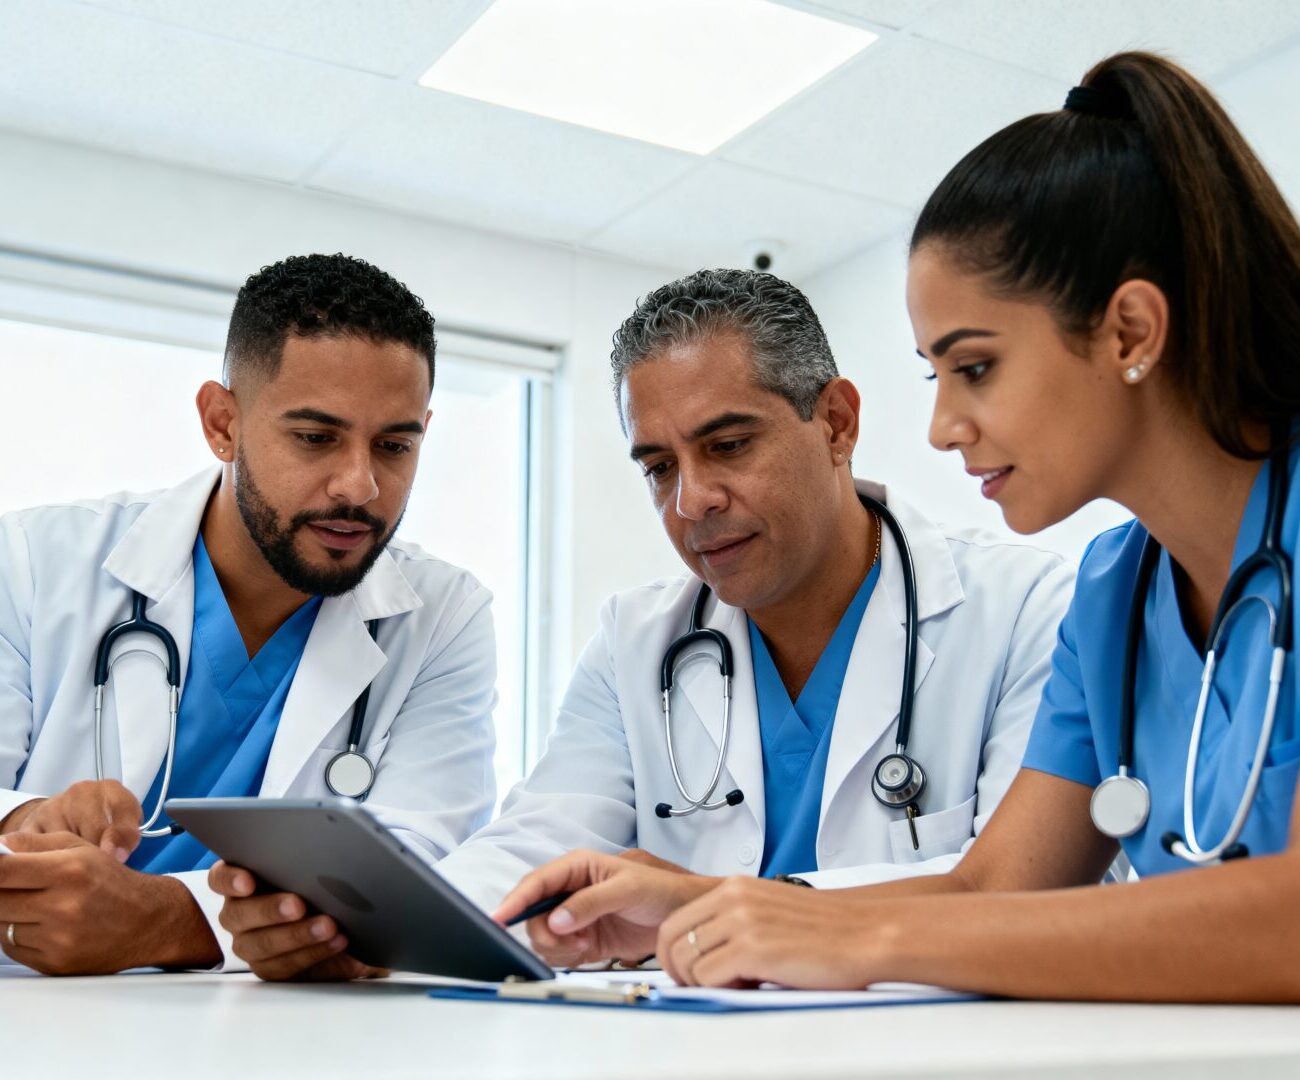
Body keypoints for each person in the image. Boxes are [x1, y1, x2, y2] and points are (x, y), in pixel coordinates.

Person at [497, 52, 1300, 1003]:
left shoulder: (1050, 599)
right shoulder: (1112, 594)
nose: (941, 427)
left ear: (1128, 331)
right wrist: (712, 907)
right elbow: (993, 889)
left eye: (976, 368)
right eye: (936, 375)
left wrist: (862, 939)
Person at [214, 267, 1074, 981]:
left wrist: (720, 903)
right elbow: (537, 840)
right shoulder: (639, 642)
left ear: (837, 423)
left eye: (729, 445)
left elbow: (1031, 891)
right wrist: (375, 935)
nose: (692, 500)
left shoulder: (1027, 610)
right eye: (659, 467)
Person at [0, 253, 498, 975]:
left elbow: (410, 882)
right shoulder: (32, 563)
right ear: (222, 422)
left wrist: (169, 923)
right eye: (316, 437)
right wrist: (23, 821)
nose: (360, 486)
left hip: (277, 1031)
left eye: (394, 446)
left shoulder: (443, 616)